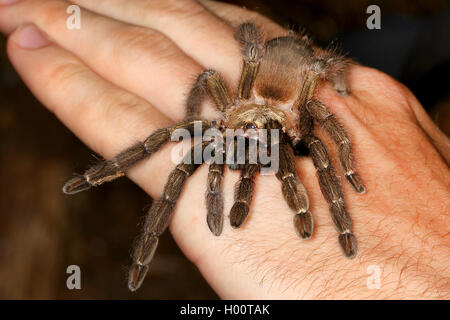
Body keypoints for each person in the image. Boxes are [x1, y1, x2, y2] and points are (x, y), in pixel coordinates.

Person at [0, 0, 448, 299]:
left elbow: (329, 128)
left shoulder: (303, 109)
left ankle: (333, 223)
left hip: (285, 102)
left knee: (315, 154)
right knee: (171, 159)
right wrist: (194, 110)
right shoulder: (228, 102)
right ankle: (114, 206)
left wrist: (347, 170)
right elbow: (212, 76)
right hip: (250, 102)